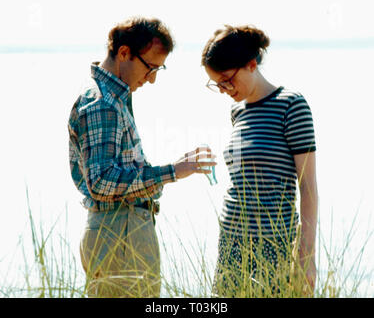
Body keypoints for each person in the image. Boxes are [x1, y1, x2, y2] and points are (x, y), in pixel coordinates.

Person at [68, 17, 216, 298]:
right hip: (120, 233)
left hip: (118, 231)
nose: (153, 79)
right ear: (124, 53)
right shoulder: (103, 103)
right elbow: (101, 182)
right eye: (150, 68)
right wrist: (173, 171)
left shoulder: (112, 98)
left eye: (159, 70)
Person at [201, 25, 318, 297]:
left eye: (227, 80)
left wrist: (307, 256)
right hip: (231, 237)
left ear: (251, 64)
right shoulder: (236, 110)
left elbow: (309, 188)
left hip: (274, 241)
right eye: (217, 84)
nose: (223, 90)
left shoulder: (291, 105)